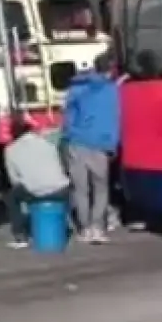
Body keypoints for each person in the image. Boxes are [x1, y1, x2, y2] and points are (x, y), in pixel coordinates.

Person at [62, 52, 121, 244]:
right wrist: (113, 144)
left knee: (80, 189)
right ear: (111, 69)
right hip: (100, 144)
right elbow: (114, 119)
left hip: (77, 142)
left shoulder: (77, 87)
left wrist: (69, 135)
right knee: (101, 188)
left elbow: (68, 116)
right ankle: (97, 228)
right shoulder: (112, 90)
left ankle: (85, 228)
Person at [2, 118, 71, 249]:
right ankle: (64, 226)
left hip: (37, 192)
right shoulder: (47, 143)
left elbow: (14, 180)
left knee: (11, 197)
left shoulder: (10, 150)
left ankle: (20, 235)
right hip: (62, 190)